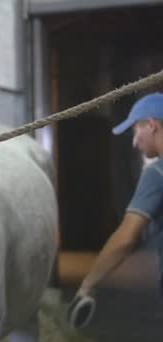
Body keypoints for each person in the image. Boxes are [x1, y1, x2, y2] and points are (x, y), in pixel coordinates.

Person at [68, 92, 163, 329]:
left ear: (152, 125)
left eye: (135, 131)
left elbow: (125, 238)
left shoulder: (156, 173)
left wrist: (88, 284)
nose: (134, 142)